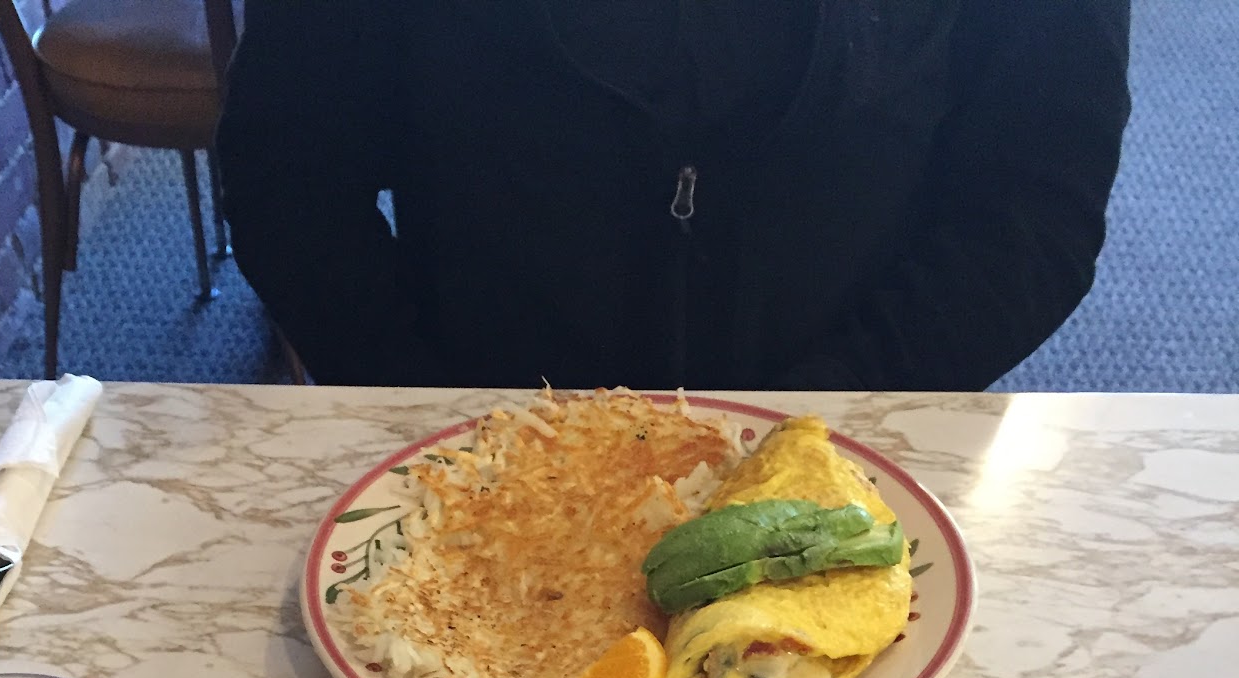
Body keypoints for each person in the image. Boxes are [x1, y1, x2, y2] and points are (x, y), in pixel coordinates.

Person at [217, 0, 1131, 391]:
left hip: (863, 452)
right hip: (466, 458)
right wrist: (435, 418)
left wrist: (827, 420)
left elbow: (1035, 197)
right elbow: (290, 172)